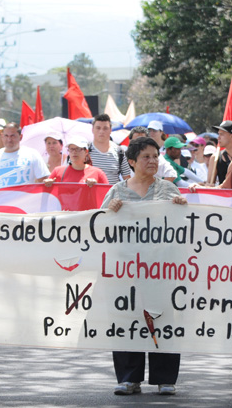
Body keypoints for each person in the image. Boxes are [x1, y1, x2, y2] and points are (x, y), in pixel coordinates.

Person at [101, 136, 187, 396]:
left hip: (161, 271)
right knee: (127, 320)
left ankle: (165, 379)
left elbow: (184, 227)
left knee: (162, 320)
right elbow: (99, 226)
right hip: (126, 272)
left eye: (155, 156)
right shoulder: (116, 191)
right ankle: (129, 378)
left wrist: (182, 209)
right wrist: (110, 212)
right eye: (146, 157)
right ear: (131, 162)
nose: (152, 161)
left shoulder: (168, 190)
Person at [0, 122, 50, 191]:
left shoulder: (32, 154)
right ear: (2, 136)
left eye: (12, 136)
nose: (9, 139)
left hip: (24, 204)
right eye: (6, 136)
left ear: (20, 137)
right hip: (2, 204)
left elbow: (44, 179)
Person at [89, 113, 131, 185]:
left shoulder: (119, 152)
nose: (101, 131)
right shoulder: (84, 150)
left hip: (113, 195)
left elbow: (127, 179)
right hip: (90, 195)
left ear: (110, 130)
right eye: (98, 128)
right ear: (92, 130)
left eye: (105, 128)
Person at [208, 120, 232, 185]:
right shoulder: (215, 158)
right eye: (218, 134)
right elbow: (209, 184)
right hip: (223, 195)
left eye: (221, 134)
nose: (218, 138)